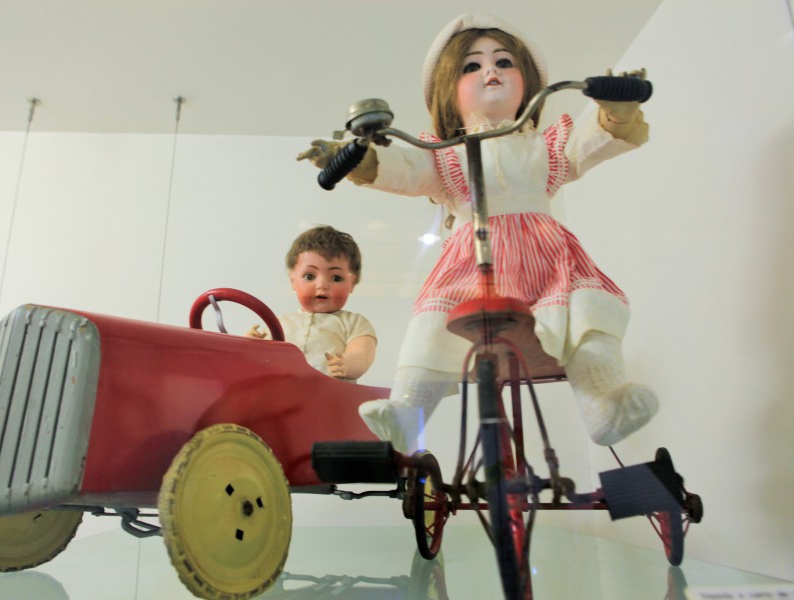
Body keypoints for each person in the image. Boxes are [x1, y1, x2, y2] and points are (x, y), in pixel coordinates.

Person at [297, 13, 658, 451]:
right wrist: (352, 156)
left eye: (504, 62)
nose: (491, 71)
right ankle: (408, 411)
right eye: (472, 66)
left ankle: (603, 403)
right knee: (434, 315)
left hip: (547, 262)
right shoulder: (445, 154)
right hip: (471, 263)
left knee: (586, 304)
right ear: (449, 91)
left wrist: (616, 113)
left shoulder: (546, 145)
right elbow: (404, 167)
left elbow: (588, 142)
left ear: (527, 81)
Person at [247, 225, 377, 383]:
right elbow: (258, 363)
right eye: (309, 276)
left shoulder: (355, 323)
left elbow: (362, 353)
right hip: (282, 392)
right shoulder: (278, 323)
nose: (322, 285)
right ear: (293, 280)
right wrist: (251, 345)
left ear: (353, 282)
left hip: (330, 395)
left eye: (336, 278)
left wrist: (350, 363)